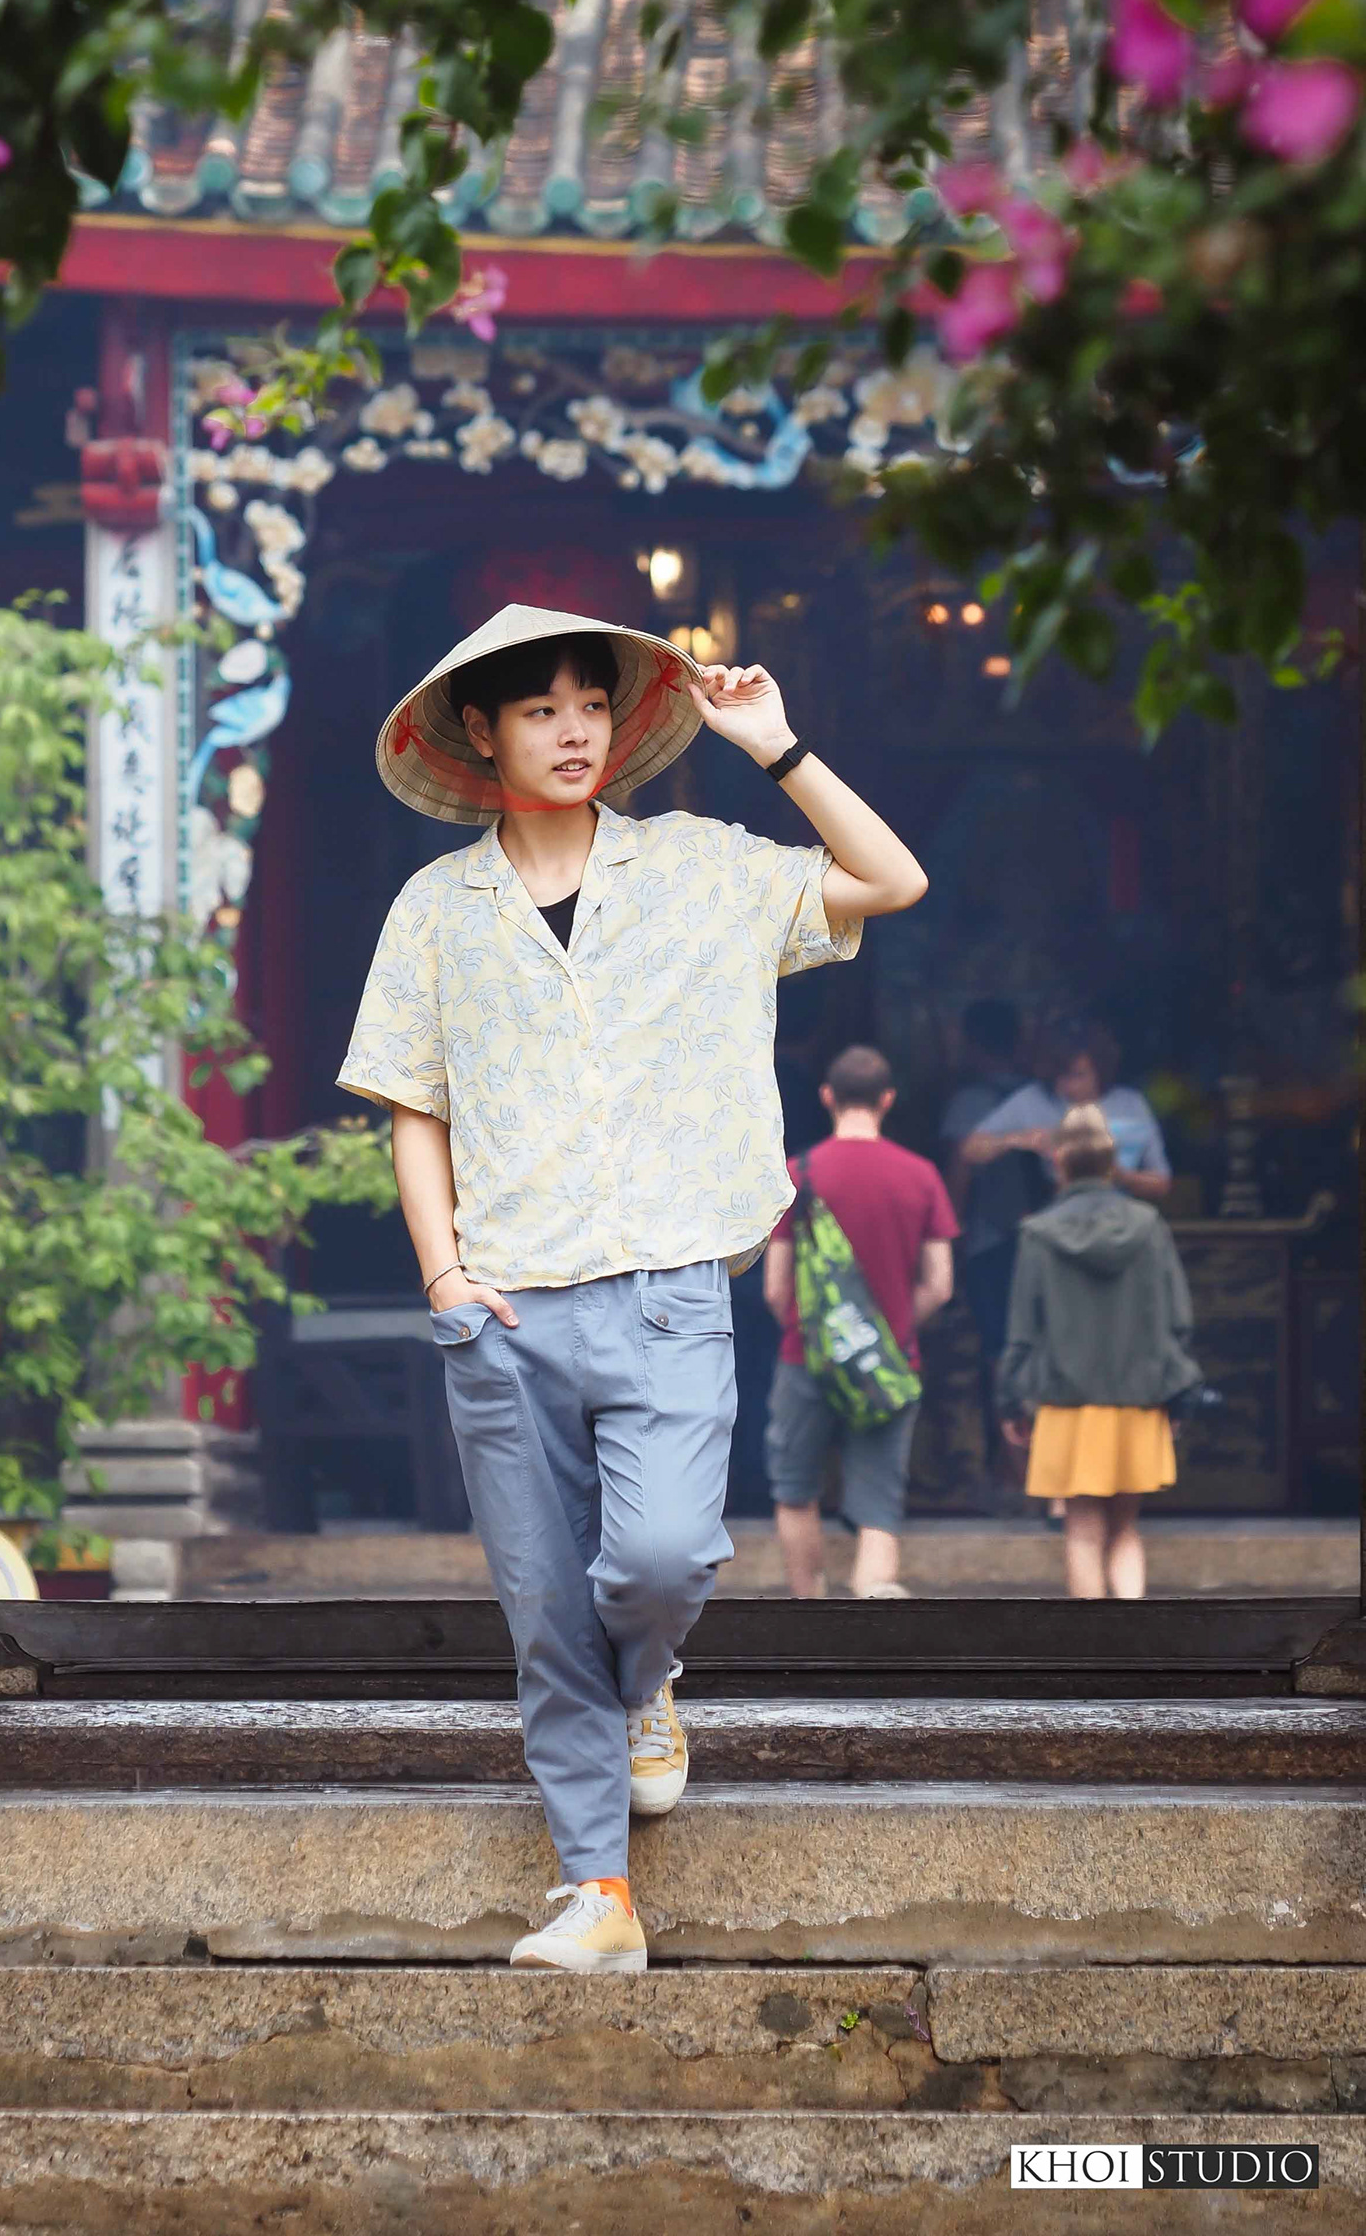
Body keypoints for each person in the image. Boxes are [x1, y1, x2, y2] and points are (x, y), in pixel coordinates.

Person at [338, 602, 928, 1975]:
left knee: (659, 1556)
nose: (572, 731)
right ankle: (598, 1897)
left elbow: (889, 880)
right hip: (507, 1304)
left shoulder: (705, 869)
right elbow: (413, 1107)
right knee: (547, 1607)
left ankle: (653, 1679)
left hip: (668, 1286)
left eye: (589, 705)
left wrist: (778, 751)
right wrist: (444, 1275)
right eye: (540, 709)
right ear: (481, 733)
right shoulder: (438, 908)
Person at [761, 1046, 957, 1600]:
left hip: (806, 1358)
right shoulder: (921, 1177)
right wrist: (885, 1334)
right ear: (888, 1100)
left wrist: (821, 1332)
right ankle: (872, 1616)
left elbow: (777, 1289)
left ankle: (811, 1613)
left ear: (826, 1097)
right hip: (888, 1365)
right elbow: (940, 1284)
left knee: (797, 1491)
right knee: (878, 1503)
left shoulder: (796, 1176)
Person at [996, 1104, 1200, 1599]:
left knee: (1082, 1531)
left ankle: (1092, 1653)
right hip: (1139, 1398)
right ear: (1111, 1163)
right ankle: (1133, 1647)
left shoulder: (1038, 1235)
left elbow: (1023, 1331)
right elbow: (1178, 1320)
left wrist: (1011, 1401)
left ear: (1059, 1162)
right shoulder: (1149, 1226)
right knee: (1126, 1529)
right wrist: (1174, 1391)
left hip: (1067, 1403)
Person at [937, 998, 1035, 1489]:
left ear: (972, 1043)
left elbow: (960, 1175)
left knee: (1000, 1350)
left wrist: (948, 1243)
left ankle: (1010, 1465)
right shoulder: (1041, 1096)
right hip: (1044, 1243)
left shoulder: (972, 1103)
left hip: (991, 1245)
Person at [961, 1018, 1174, 1206]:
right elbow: (970, 1150)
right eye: (1060, 1077)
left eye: (1078, 1075)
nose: (1068, 1087)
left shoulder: (1131, 1105)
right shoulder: (1033, 1099)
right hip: (1056, 1224)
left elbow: (1161, 1184)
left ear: (1101, 1069)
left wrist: (1120, 1176)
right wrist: (1016, 1139)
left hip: (1119, 1228)